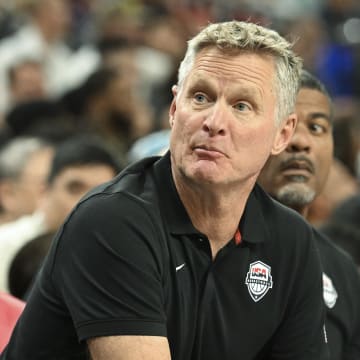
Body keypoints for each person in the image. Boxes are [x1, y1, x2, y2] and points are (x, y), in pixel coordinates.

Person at [1, 21, 328, 359]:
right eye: (200, 97)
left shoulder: (292, 241)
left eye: (242, 106)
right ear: (174, 109)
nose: (214, 122)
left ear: (282, 134)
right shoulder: (113, 221)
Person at [257, 70, 360, 359]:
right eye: (284, 125)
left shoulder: (344, 271)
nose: (300, 142)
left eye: (316, 128)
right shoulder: (212, 246)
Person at [0, 134, 122, 293]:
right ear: (45, 192)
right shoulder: (5, 245)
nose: (87, 202)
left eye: (101, 192)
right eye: (75, 189)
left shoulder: (126, 251)